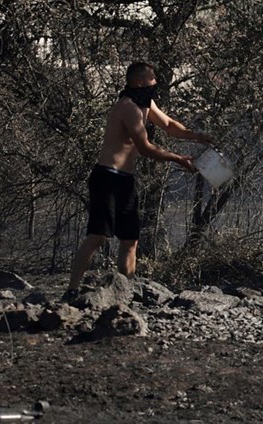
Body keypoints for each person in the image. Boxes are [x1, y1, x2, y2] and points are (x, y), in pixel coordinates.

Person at [63, 62, 213, 300]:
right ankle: (71, 290)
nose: (156, 83)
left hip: (125, 179)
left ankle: (127, 292)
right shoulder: (128, 107)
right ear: (139, 82)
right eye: (152, 79)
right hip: (107, 177)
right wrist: (177, 158)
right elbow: (144, 148)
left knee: (130, 239)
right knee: (98, 236)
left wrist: (197, 136)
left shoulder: (145, 104)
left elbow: (169, 125)